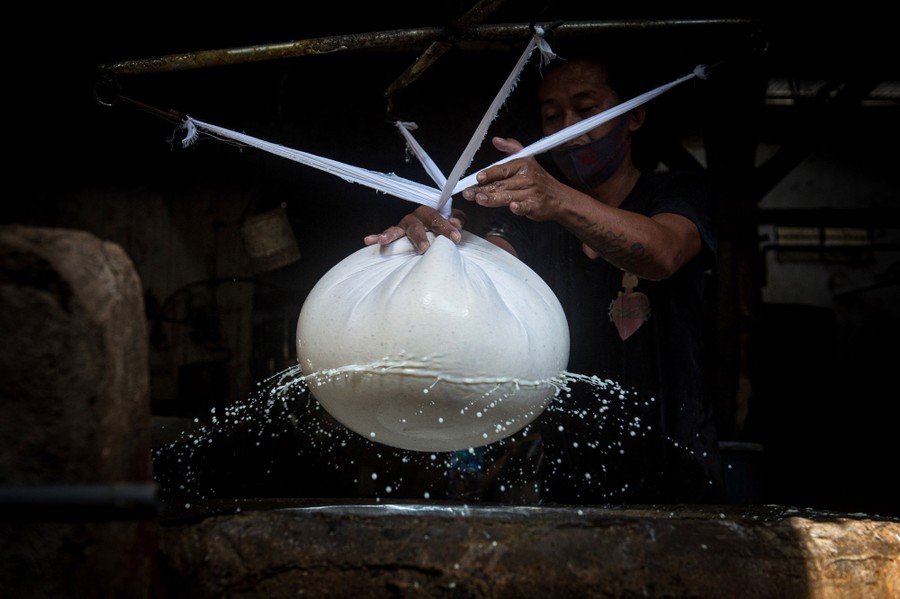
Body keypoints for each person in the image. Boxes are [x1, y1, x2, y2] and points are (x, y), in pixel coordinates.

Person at [364, 53, 725, 505]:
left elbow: (663, 253)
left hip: (679, 474)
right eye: (552, 116)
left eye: (585, 109)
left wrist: (557, 198)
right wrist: (436, 244)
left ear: (633, 116)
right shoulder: (531, 221)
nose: (567, 128)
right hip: (570, 481)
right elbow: (484, 264)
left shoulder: (678, 192)